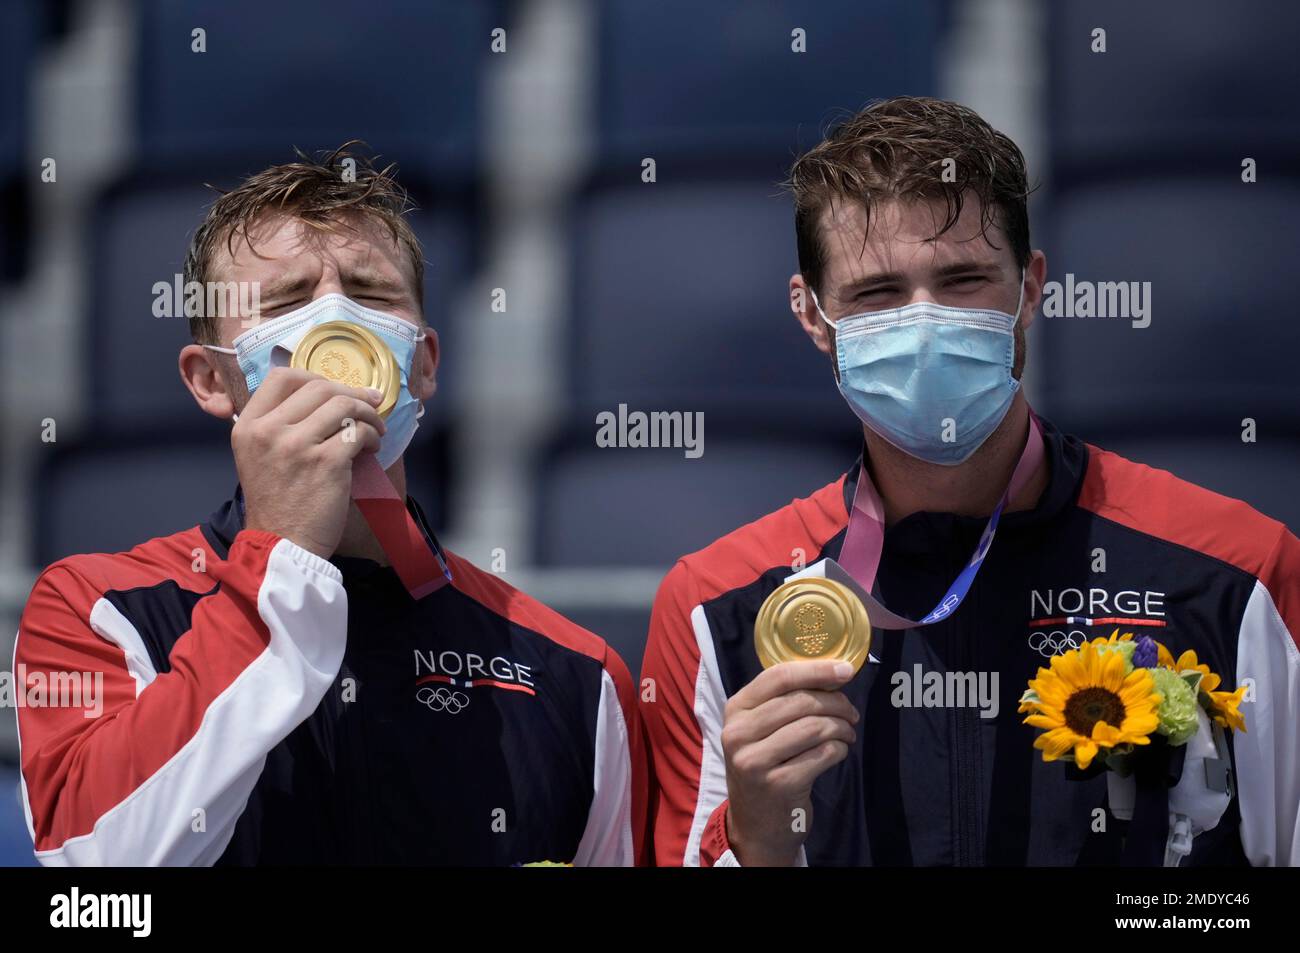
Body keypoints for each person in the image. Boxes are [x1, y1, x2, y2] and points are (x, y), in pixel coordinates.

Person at [639, 96, 1299, 867]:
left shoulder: (1237, 570)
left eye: (962, 281)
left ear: (1030, 288)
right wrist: (753, 841)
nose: (925, 324)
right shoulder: (715, 608)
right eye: (878, 293)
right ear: (813, 316)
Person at [14, 145, 646, 865]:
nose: (334, 324)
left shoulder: (574, 673)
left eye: (370, 293)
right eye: (286, 301)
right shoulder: (98, 609)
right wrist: (279, 561)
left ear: (424, 362)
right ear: (211, 380)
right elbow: (98, 872)